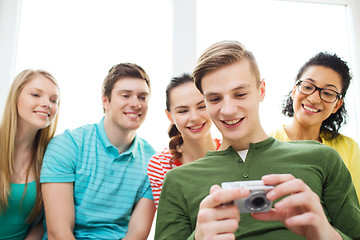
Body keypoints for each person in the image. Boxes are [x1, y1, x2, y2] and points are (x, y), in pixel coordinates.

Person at [155, 41, 360, 240]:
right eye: (215, 99)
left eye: (240, 94)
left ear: (261, 90)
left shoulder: (323, 158)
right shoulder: (177, 181)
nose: (228, 110)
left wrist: (329, 235)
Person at [40, 63, 156, 239]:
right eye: (125, 95)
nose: (135, 104)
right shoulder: (67, 145)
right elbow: (59, 233)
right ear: (105, 101)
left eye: (143, 97)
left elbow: (137, 233)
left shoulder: (152, 161)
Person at [270, 52, 360, 200]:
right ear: (294, 91)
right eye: (307, 86)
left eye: (328, 93)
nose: (313, 98)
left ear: (337, 104)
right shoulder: (266, 142)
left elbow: (354, 212)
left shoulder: (349, 149)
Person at [0, 69, 60, 239]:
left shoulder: (53, 156)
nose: (47, 104)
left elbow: (43, 222)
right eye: (35, 95)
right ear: (16, 96)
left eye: (54, 100)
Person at [147, 73, 221, 208]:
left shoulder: (235, 150)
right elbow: (172, 223)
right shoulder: (161, 164)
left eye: (201, 106)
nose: (194, 117)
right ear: (170, 116)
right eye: (183, 111)